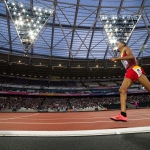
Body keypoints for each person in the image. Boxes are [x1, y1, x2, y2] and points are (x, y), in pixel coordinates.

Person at [109, 40, 150, 122]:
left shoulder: (125, 48)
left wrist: (117, 58)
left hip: (134, 69)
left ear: (123, 44)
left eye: (118, 43)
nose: (117, 44)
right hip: (130, 71)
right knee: (122, 90)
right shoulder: (121, 53)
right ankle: (123, 114)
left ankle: (123, 114)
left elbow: (131, 56)